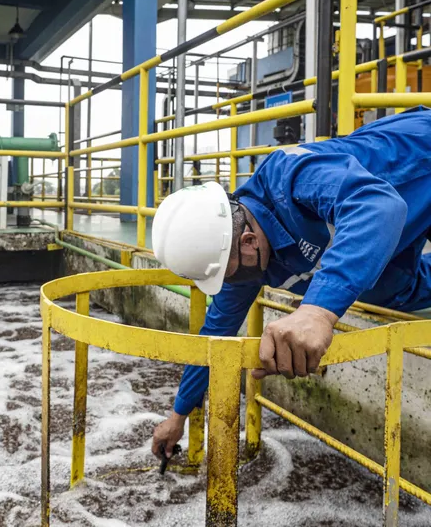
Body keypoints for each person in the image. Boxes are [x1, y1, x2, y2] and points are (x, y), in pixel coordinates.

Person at [148, 107, 431, 461]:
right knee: (384, 287)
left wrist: (316, 311)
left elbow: (378, 205)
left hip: (419, 157)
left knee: (346, 279)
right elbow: (215, 335)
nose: (231, 283)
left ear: (248, 241)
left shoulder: (289, 178)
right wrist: (178, 416)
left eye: (228, 274)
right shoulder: (242, 253)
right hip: (408, 219)